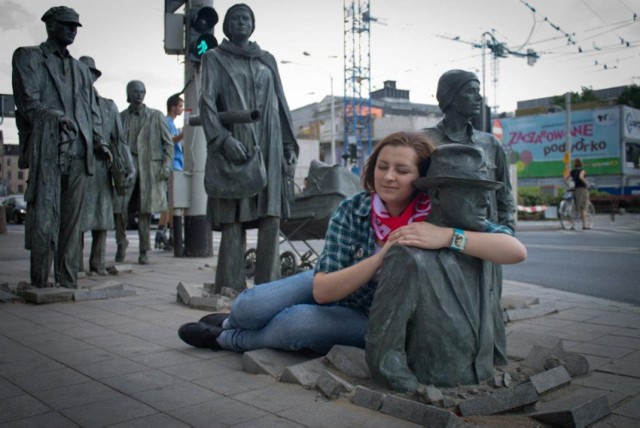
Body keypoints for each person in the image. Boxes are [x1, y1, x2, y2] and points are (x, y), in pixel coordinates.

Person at [177, 131, 525, 354]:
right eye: (382, 166)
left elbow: (514, 250)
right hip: (336, 283)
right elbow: (324, 290)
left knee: (294, 324)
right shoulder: (355, 208)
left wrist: (448, 236)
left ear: (422, 178)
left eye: (402, 170)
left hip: (377, 318)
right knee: (249, 306)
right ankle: (230, 322)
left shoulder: (440, 214)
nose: (388, 176)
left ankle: (226, 340)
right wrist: (382, 257)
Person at [366, 144, 527, 392]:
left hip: (480, 381)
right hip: (435, 386)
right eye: (473, 192)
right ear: (438, 195)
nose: (485, 202)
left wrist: (451, 237)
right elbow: (384, 349)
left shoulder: (482, 246)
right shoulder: (409, 258)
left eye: (486, 192)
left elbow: (517, 251)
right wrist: (418, 393)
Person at [199, 3, 299, 291]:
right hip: (236, 144)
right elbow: (206, 103)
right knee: (233, 216)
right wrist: (222, 139)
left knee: (271, 216)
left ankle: (270, 287)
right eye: (235, 18)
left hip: (270, 143)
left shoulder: (266, 59)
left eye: (246, 18)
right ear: (227, 26)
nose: (241, 22)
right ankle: (230, 283)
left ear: (253, 25)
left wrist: (288, 146)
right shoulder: (214, 58)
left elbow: (281, 103)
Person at [11, 6, 111, 288]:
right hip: (48, 148)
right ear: (50, 25)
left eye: (76, 26)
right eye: (67, 24)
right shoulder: (28, 57)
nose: (72, 30)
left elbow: (91, 111)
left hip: (80, 152)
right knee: (45, 216)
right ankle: (40, 280)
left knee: (72, 223)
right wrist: (55, 117)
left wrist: (100, 142)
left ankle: (67, 279)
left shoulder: (81, 69)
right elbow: (27, 102)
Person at [423, 69, 516, 365]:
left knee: (489, 305)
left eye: (478, 90)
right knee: (446, 309)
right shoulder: (425, 141)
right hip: (440, 239)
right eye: (470, 91)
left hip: (485, 237)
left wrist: (506, 230)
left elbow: (505, 195)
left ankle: (492, 361)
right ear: (450, 97)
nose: (478, 97)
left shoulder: (491, 144)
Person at [115, 80, 174, 264]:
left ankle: (143, 251)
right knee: (119, 209)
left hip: (149, 168)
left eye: (142, 91)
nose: (139, 94)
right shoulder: (121, 117)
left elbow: (168, 144)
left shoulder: (156, 116)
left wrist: (166, 166)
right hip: (127, 167)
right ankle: (121, 241)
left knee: (145, 212)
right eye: (135, 91)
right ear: (128, 94)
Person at [78, 56, 126, 275]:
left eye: (90, 73)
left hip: (103, 170)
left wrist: (125, 167)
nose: (86, 77)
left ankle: (97, 263)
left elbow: (119, 140)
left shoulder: (108, 106)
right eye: (82, 72)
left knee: (102, 219)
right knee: (76, 219)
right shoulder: (71, 103)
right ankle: (73, 264)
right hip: (78, 168)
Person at [155, 93, 184, 251]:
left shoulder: (170, 123)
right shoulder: (167, 122)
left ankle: (165, 234)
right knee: (172, 203)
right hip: (172, 165)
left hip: (176, 164)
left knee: (171, 202)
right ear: (173, 107)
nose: (182, 109)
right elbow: (169, 141)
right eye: (180, 106)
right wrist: (183, 135)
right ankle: (171, 235)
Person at [565, 157, 591, 229]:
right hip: (582, 190)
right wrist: (587, 184)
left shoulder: (572, 171)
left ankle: (572, 225)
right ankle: (584, 225)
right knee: (583, 208)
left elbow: (565, 179)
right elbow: (581, 177)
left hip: (575, 190)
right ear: (581, 163)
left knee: (576, 207)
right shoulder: (582, 170)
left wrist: (569, 186)